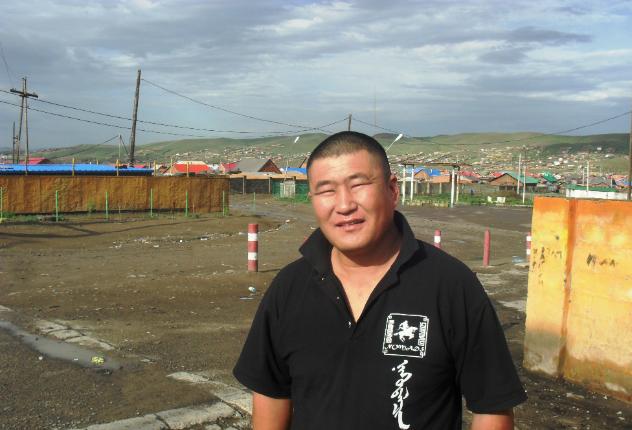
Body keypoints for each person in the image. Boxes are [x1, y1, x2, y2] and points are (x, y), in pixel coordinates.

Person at [233, 131, 526, 430]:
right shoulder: (289, 287)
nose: (344, 205)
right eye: (326, 190)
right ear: (313, 200)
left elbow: (492, 408)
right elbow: (271, 394)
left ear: (392, 190)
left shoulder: (452, 285)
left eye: (358, 185)